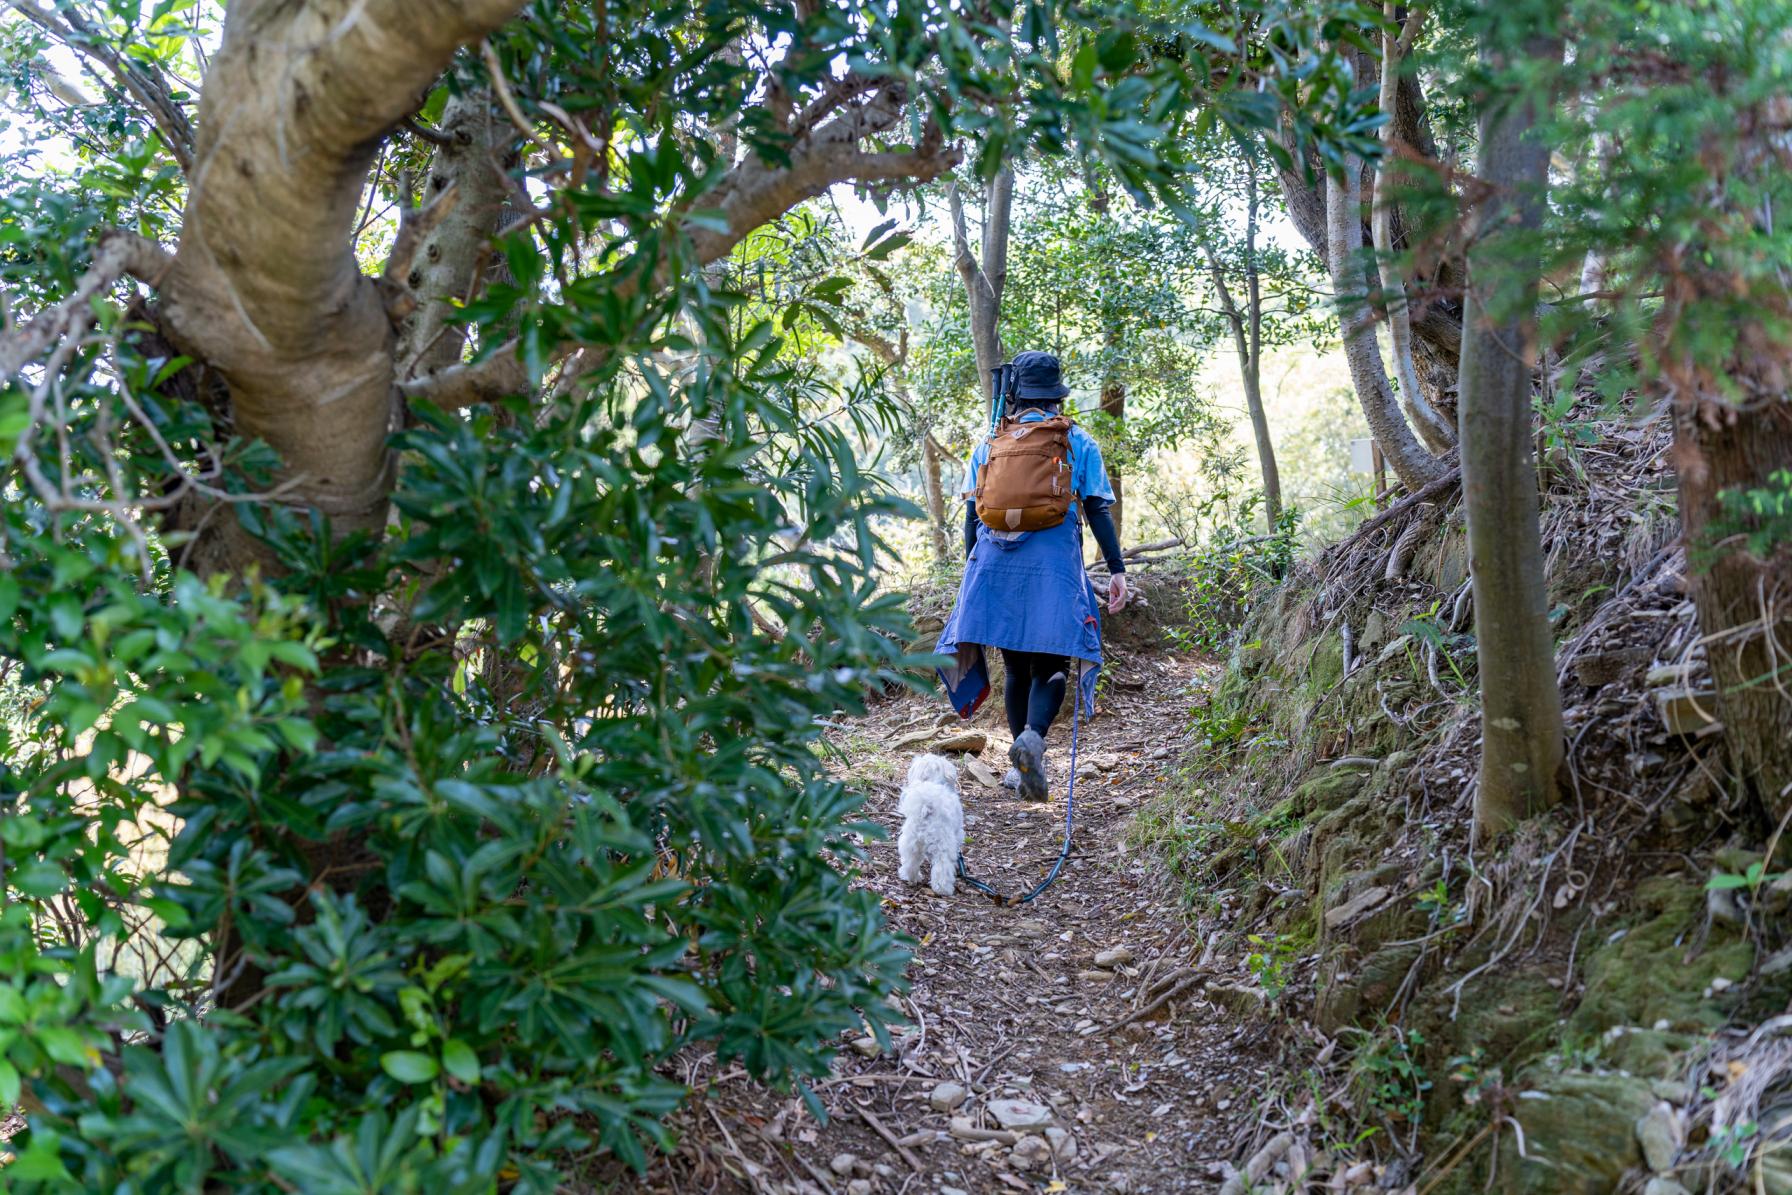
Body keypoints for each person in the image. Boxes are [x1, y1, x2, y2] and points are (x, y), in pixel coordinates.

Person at [935, 350, 1128, 800]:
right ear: (1057, 395)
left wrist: (974, 571)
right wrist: (1117, 570)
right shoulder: (1077, 441)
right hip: (1053, 566)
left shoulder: (989, 444)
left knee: (1016, 663)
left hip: (996, 564)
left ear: (1015, 394)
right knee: (1054, 662)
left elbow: (971, 518)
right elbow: (1098, 509)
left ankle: (1021, 769)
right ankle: (1033, 741)